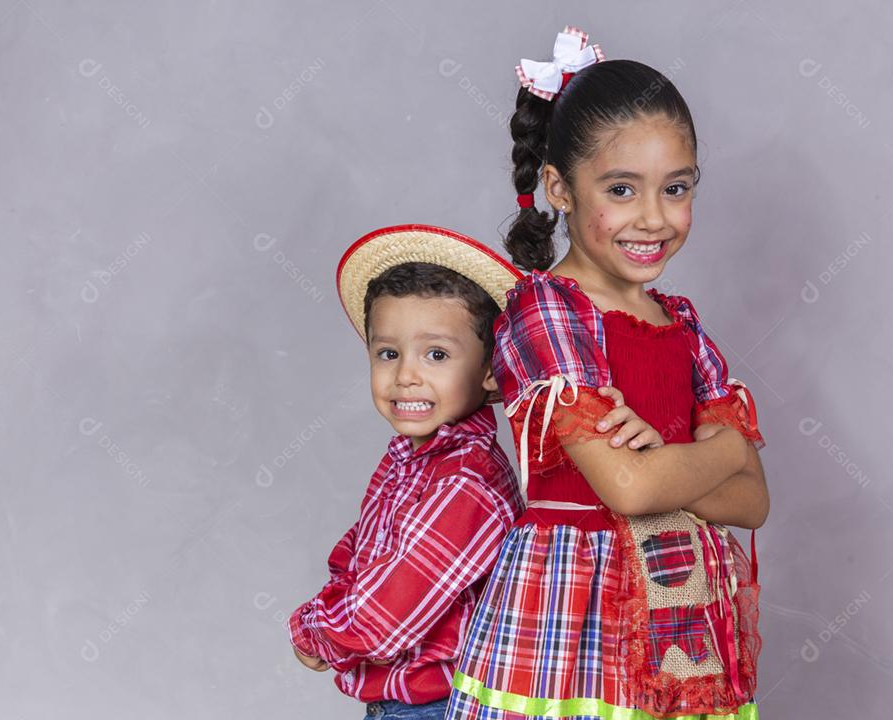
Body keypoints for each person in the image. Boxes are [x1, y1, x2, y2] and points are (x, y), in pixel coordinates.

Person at [445, 28, 769, 719]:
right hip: (573, 618)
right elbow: (629, 486)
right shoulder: (545, 314)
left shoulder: (681, 324)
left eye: (676, 188)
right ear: (560, 188)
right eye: (622, 189)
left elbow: (753, 504)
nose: (654, 218)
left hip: (680, 613)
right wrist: (722, 451)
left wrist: (684, 459)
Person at [286, 225, 527, 719]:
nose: (405, 375)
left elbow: (386, 615)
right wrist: (334, 601)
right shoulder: (412, 461)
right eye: (388, 353)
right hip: (402, 703)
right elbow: (360, 551)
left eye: (436, 354)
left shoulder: (466, 482)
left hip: (439, 706)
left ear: (489, 372)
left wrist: (317, 630)